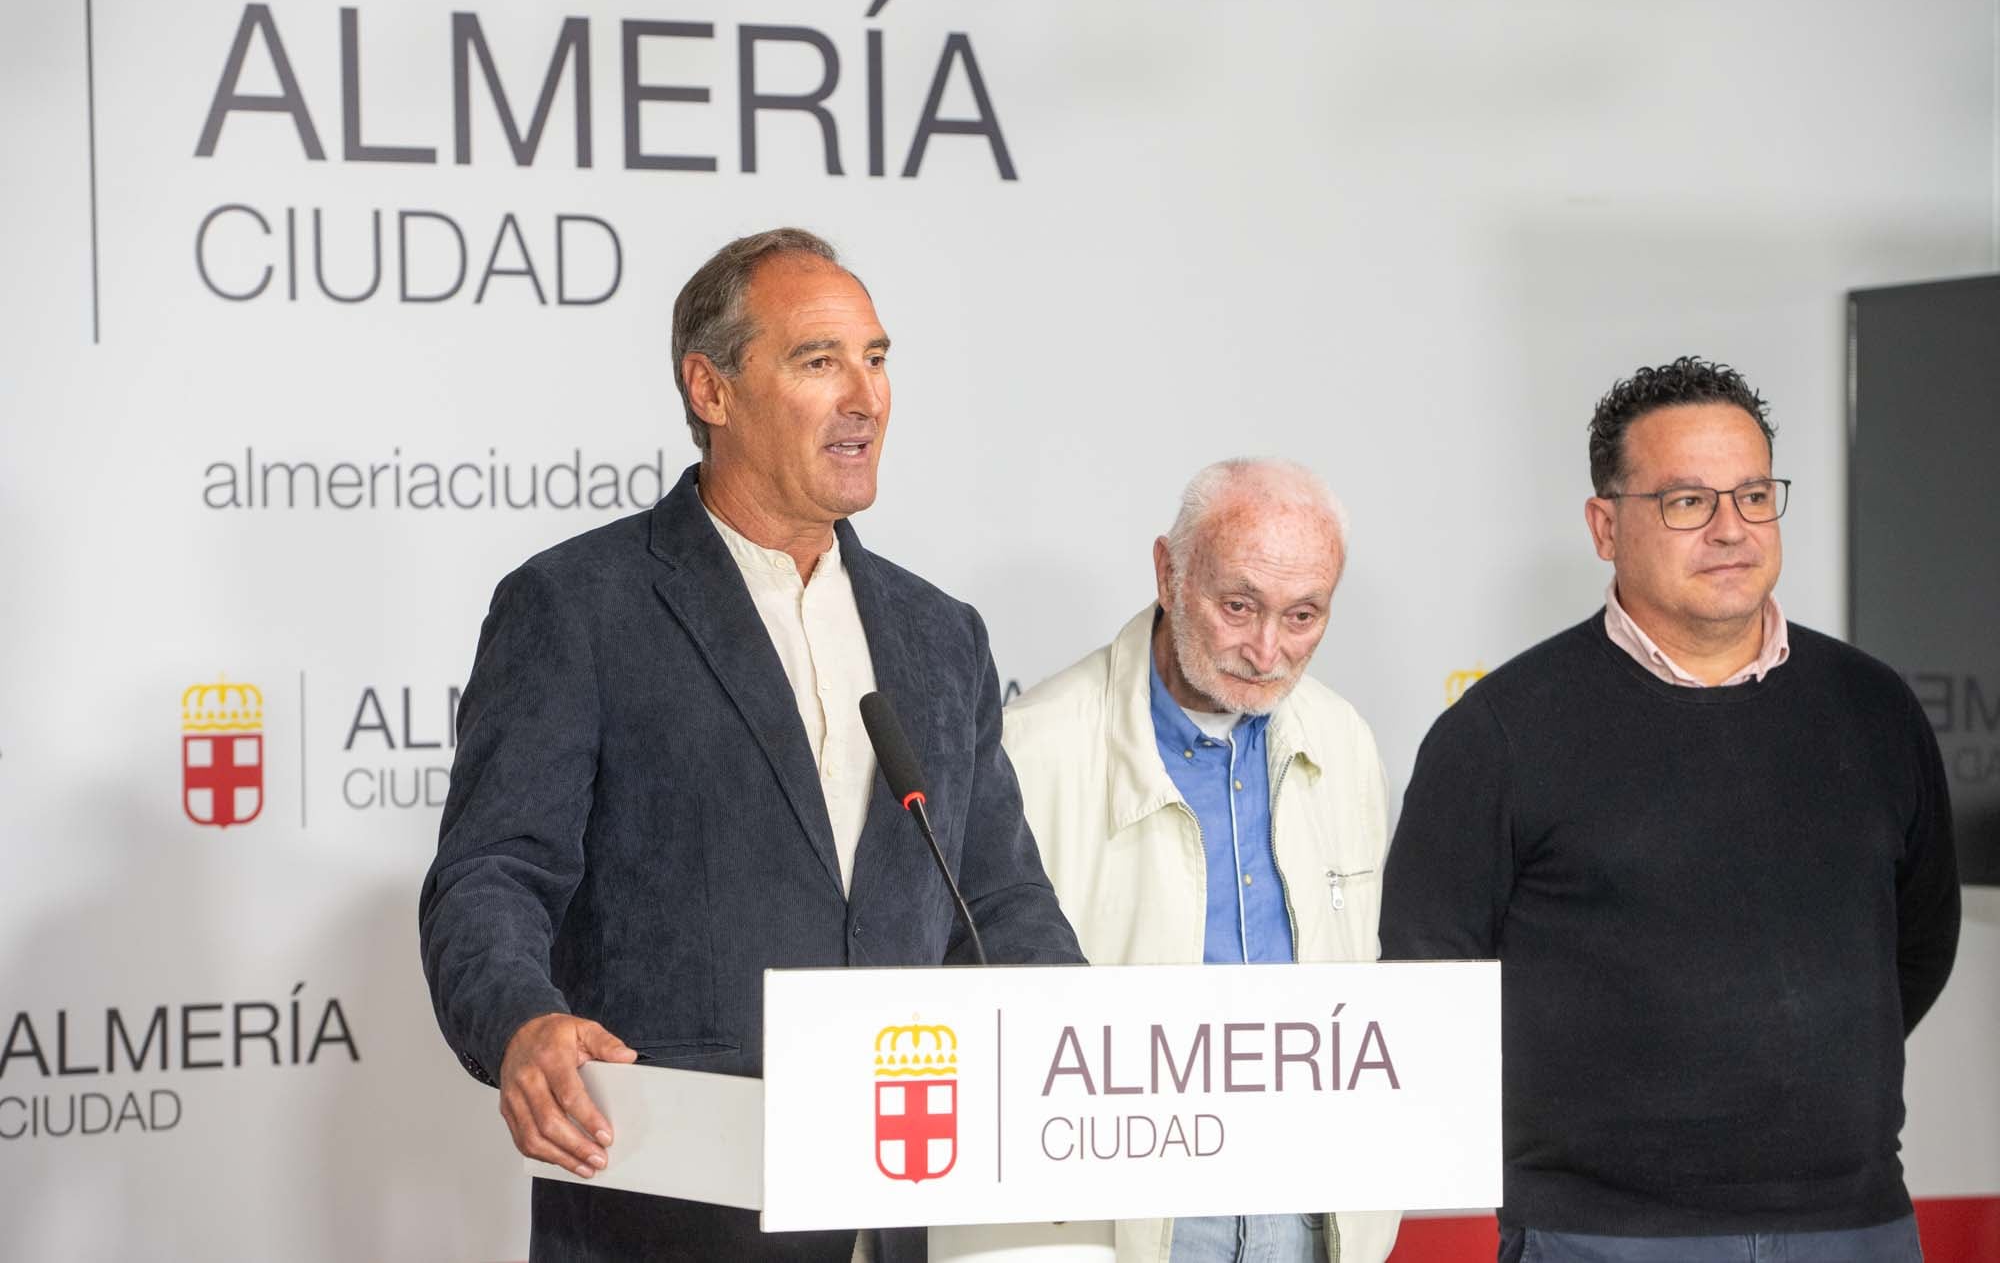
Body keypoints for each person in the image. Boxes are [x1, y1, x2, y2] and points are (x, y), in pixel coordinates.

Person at [418, 228, 1083, 1263]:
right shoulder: (576, 607)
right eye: (818, 361)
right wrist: (520, 1022)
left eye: (876, 357)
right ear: (711, 389)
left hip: (893, 1214)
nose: (864, 396)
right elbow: (491, 874)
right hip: (671, 1221)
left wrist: (1082, 1041)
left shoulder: (939, 636)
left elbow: (995, 899)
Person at [1381, 358, 1960, 1263]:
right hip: (1599, 1234)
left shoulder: (1875, 708)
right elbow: (1428, 985)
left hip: (1855, 1225)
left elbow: (1918, 947)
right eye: (1688, 501)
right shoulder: (1499, 733)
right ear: (1605, 525)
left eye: (1755, 495)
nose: (1732, 528)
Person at [1003, 458, 1401, 1263]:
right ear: (1167, 571)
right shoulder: (1032, 748)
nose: (1266, 650)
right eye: (1238, 605)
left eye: (1303, 616)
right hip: (1130, 1221)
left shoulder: (1346, 742)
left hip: (1314, 1213)